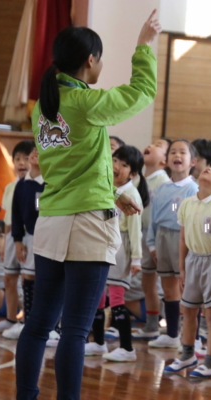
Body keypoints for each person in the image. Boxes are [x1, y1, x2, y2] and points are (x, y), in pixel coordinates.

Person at [15, 11, 160, 399]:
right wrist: (144, 48)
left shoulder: (42, 106)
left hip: (53, 221)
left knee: (38, 324)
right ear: (90, 61)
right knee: (76, 330)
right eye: (100, 58)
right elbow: (141, 93)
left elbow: (68, 170)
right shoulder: (82, 101)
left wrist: (111, 194)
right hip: (87, 224)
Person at [164, 163, 211, 377]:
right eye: (210, 166)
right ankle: (187, 355)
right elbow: (182, 239)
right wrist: (182, 268)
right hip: (192, 262)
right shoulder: (187, 204)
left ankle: (209, 362)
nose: (209, 168)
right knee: (188, 311)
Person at [86, 145, 148, 362]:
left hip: (121, 251)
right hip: (103, 247)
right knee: (98, 297)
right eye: (114, 161)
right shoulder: (106, 187)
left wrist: (137, 258)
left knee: (117, 298)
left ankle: (127, 348)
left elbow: (135, 230)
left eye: (123, 165)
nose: (116, 167)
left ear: (132, 174)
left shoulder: (131, 194)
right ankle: (98, 343)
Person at [147, 139, 199, 349]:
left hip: (182, 239)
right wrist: (152, 244)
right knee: (168, 289)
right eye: (173, 152)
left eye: (182, 152)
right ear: (166, 160)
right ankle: (171, 334)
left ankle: (191, 336)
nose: (177, 156)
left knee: (186, 289)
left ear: (193, 161)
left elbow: (196, 220)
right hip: (162, 238)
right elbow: (153, 218)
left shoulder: (193, 188)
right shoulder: (161, 188)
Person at [0, 140, 32, 333]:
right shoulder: (11, 187)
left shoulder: (38, 186)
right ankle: (11, 319)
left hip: (29, 236)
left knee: (28, 281)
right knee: (9, 278)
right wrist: (5, 242)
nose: (21, 163)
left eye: (26, 159)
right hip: (13, 236)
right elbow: (7, 218)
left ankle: (27, 323)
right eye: (17, 159)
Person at [3, 145, 46, 341]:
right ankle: (28, 322)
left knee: (37, 279)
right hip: (28, 236)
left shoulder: (48, 184)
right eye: (33, 152)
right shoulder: (22, 184)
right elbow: (17, 215)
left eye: (41, 151)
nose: (35, 154)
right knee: (27, 279)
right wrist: (18, 240)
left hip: (45, 237)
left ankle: (40, 324)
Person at [132, 138, 171, 340]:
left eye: (158, 146)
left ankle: (173, 326)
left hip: (158, 235)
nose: (151, 145)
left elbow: (171, 211)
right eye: (152, 143)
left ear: (164, 161)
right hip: (141, 232)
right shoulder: (138, 179)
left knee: (166, 285)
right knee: (147, 283)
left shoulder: (164, 182)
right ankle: (152, 325)